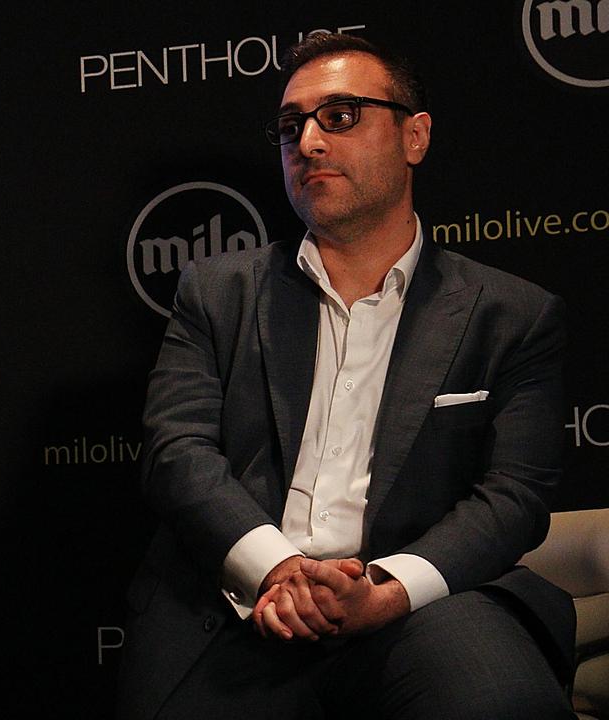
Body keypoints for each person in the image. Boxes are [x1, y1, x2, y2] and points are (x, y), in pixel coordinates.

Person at [117, 33, 574, 720]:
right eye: (291, 125)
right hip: (239, 609)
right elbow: (178, 454)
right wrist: (278, 568)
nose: (309, 142)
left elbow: (513, 496)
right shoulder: (216, 292)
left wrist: (385, 590)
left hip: (424, 609)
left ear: (414, 136)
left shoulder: (512, 314)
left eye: (340, 115)